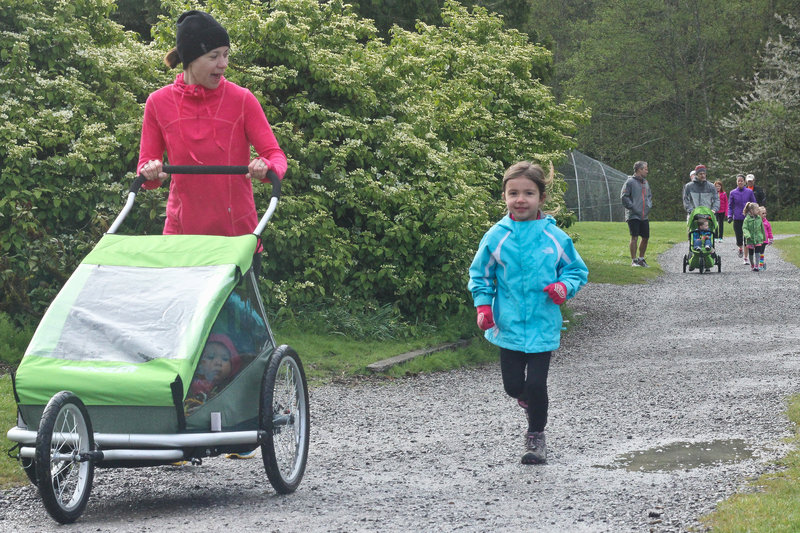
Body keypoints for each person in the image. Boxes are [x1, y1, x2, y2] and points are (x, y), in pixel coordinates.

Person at [468, 161, 588, 465]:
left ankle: (536, 437)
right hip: (507, 326)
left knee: (536, 385)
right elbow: (480, 274)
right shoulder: (496, 237)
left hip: (542, 325)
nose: (520, 199)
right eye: (513, 193)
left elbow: (576, 270)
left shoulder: (555, 238)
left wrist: (564, 287)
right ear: (505, 197)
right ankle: (528, 402)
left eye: (528, 193)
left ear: (541, 199)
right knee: (513, 386)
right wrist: (483, 306)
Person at [137, 10, 287, 247]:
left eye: (226, 55)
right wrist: (151, 172)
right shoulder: (157, 102)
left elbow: (276, 157)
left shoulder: (243, 100)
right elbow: (146, 173)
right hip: (180, 239)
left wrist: (266, 167)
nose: (223, 64)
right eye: (214, 56)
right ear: (190, 59)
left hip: (238, 241)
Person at [185, 333, 242, 414]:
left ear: (232, 365)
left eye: (225, 359)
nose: (218, 362)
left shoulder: (233, 388)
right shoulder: (188, 386)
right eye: (211, 357)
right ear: (199, 362)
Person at [620, 161, 652, 267]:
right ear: (639, 170)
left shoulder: (646, 182)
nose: (647, 171)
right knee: (634, 237)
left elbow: (649, 196)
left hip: (644, 215)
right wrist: (633, 207)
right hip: (633, 215)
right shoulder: (630, 182)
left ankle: (641, 259)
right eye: (645, 169)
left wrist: (648, 206)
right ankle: (634, 260)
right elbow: (624, 197)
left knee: (646, 237)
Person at [727, 174, 757, 262]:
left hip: (747, 218)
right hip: (737, 218)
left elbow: (754, 203)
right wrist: (729, 216)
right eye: (738, 181)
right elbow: (730, 206)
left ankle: (745, 257)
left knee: (747, 238)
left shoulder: (749, 192)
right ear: (736, 182)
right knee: (739, 238)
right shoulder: (732, 193)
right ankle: (740, 248)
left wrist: (755, 213)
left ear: (744, 182)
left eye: (741, 181)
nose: (740, 182)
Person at [742, 202, 766, 272]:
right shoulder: (747, 219)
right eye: (757, 209)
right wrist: (747, 235)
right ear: (751, 211)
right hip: (750, 239)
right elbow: (744, 228)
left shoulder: (759, 218)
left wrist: (764, 237)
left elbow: (762, 228)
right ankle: (752, 264)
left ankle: (756, 265)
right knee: (751, 253)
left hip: (758, 239)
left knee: (758, 252)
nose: (758, 211)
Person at [759, 206, 773, 270]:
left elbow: (769, 231)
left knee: (761, 253)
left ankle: (761, 265)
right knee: (757, 253)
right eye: (763, 213)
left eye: (765, 213)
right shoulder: (757, 222)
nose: (764, 215)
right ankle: (758, 264)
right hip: (758, 240)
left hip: (764, 241)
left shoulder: (767, 223)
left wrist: (771, 239)